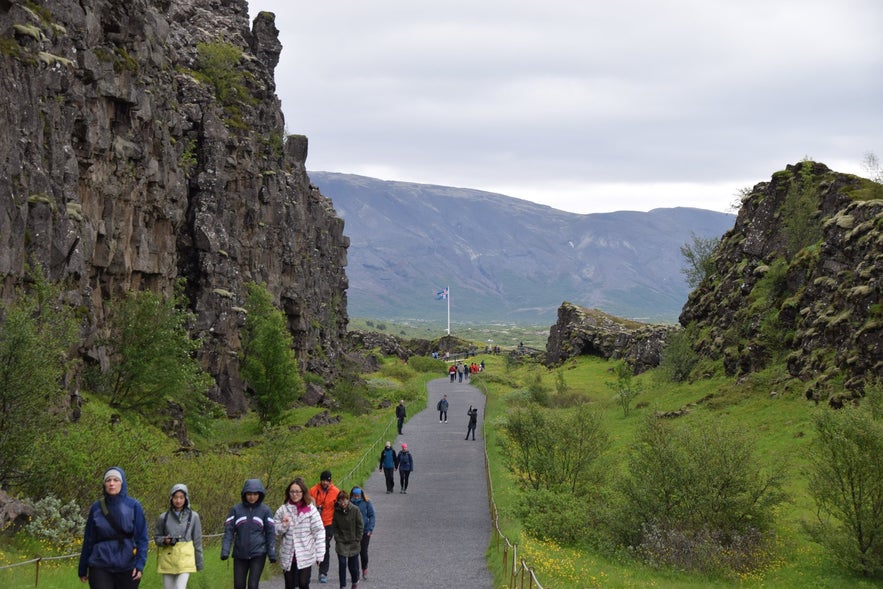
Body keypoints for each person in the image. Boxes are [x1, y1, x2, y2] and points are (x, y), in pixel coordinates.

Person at [79, 466, 149, 588]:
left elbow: (142, 538)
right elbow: (89, 539)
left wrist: (140, 564)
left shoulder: (134, 506)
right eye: (108, 480)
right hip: (100, 563)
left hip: (127, 564)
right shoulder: (97, 508)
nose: (112, 483)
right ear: (104, 484)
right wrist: (83, 567)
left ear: (122, 483)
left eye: (116, 480)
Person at [221, 479, 276, 589]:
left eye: (255, 494)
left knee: (252, 585)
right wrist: (225, 550)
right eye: (249, 494)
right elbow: (229, 532)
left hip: (258, 554)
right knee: (239, 585)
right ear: (244, 494)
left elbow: (270, 533)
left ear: (260, 494)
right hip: (240, 554)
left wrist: (272, 553)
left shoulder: (265, 511)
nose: (252, 497)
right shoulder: (236, 510)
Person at [275, 478, 325, 589]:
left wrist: (320, 554)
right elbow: (274, 530)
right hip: (288, 554)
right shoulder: (283, 510)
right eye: (292, 492)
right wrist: (283, 525)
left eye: (297, 491)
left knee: (303, 583)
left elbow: (319, 531)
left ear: (303, 492)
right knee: (289, 584)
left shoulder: (311, 510)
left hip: (305, 553)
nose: (294, 494)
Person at [154, 483, 203, 589]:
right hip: (168, 559)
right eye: (176, 497)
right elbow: (157, 538)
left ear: (186, 498)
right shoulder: (163, 517)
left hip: (185, 560)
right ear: (171, 498)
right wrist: (165, 541)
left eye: (181, 497)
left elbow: (197, 541)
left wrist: (199, 563)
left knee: (179, 587)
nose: (178, 501)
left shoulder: (194, 516)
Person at [309, 470, 339, 584]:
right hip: (314, 523)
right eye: (323, 480)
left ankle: (323, 573)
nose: (325, 482)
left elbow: (340, 506)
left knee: (325, 547)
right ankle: (307, 572)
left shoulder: (335, 492)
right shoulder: (313, 490)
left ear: (330, 481)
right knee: (312, 546)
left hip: (328, 523)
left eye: (327, 480)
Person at [332, 491, 363, 589]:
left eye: (344, 500)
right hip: (341, 541)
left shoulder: (355, 510)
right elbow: (335, 526)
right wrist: (337, 537)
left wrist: (358, 538)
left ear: (348, 499)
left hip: (353, 541)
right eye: (340, 500)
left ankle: (354, 581)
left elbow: (360, 525)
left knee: (352, 566)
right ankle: (343, 585)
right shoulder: (336, 512)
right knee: (342, 564)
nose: (343, 503)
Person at [349, 488, 374, 581]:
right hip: (353, 532)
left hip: (365, 531)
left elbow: (372, 515)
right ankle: (357, 573)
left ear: (360, 495)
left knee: (363, 552)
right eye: (354, 495)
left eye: (357, 495)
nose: (355, 497)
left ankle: (364, 568)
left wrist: (370, 529)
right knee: (354, 553)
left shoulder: (367, 502)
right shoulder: (349, 503)